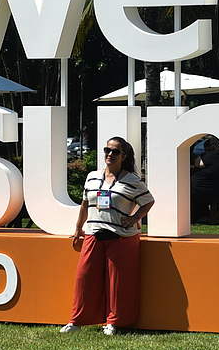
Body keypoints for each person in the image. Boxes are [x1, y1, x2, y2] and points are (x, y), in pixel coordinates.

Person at [64, 135, 153, 335]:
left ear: (124, 156)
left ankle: (112, 323)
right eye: (107, 150)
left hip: (121, 236)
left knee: (118, 283)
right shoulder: (92, 176)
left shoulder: (132, 180)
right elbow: (85, 204)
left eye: (115, 152)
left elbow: (148, 201)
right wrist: (78, 229)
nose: (110, 154)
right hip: (93, 234)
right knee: (84, 278)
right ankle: (76, 321)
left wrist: (135, 218)